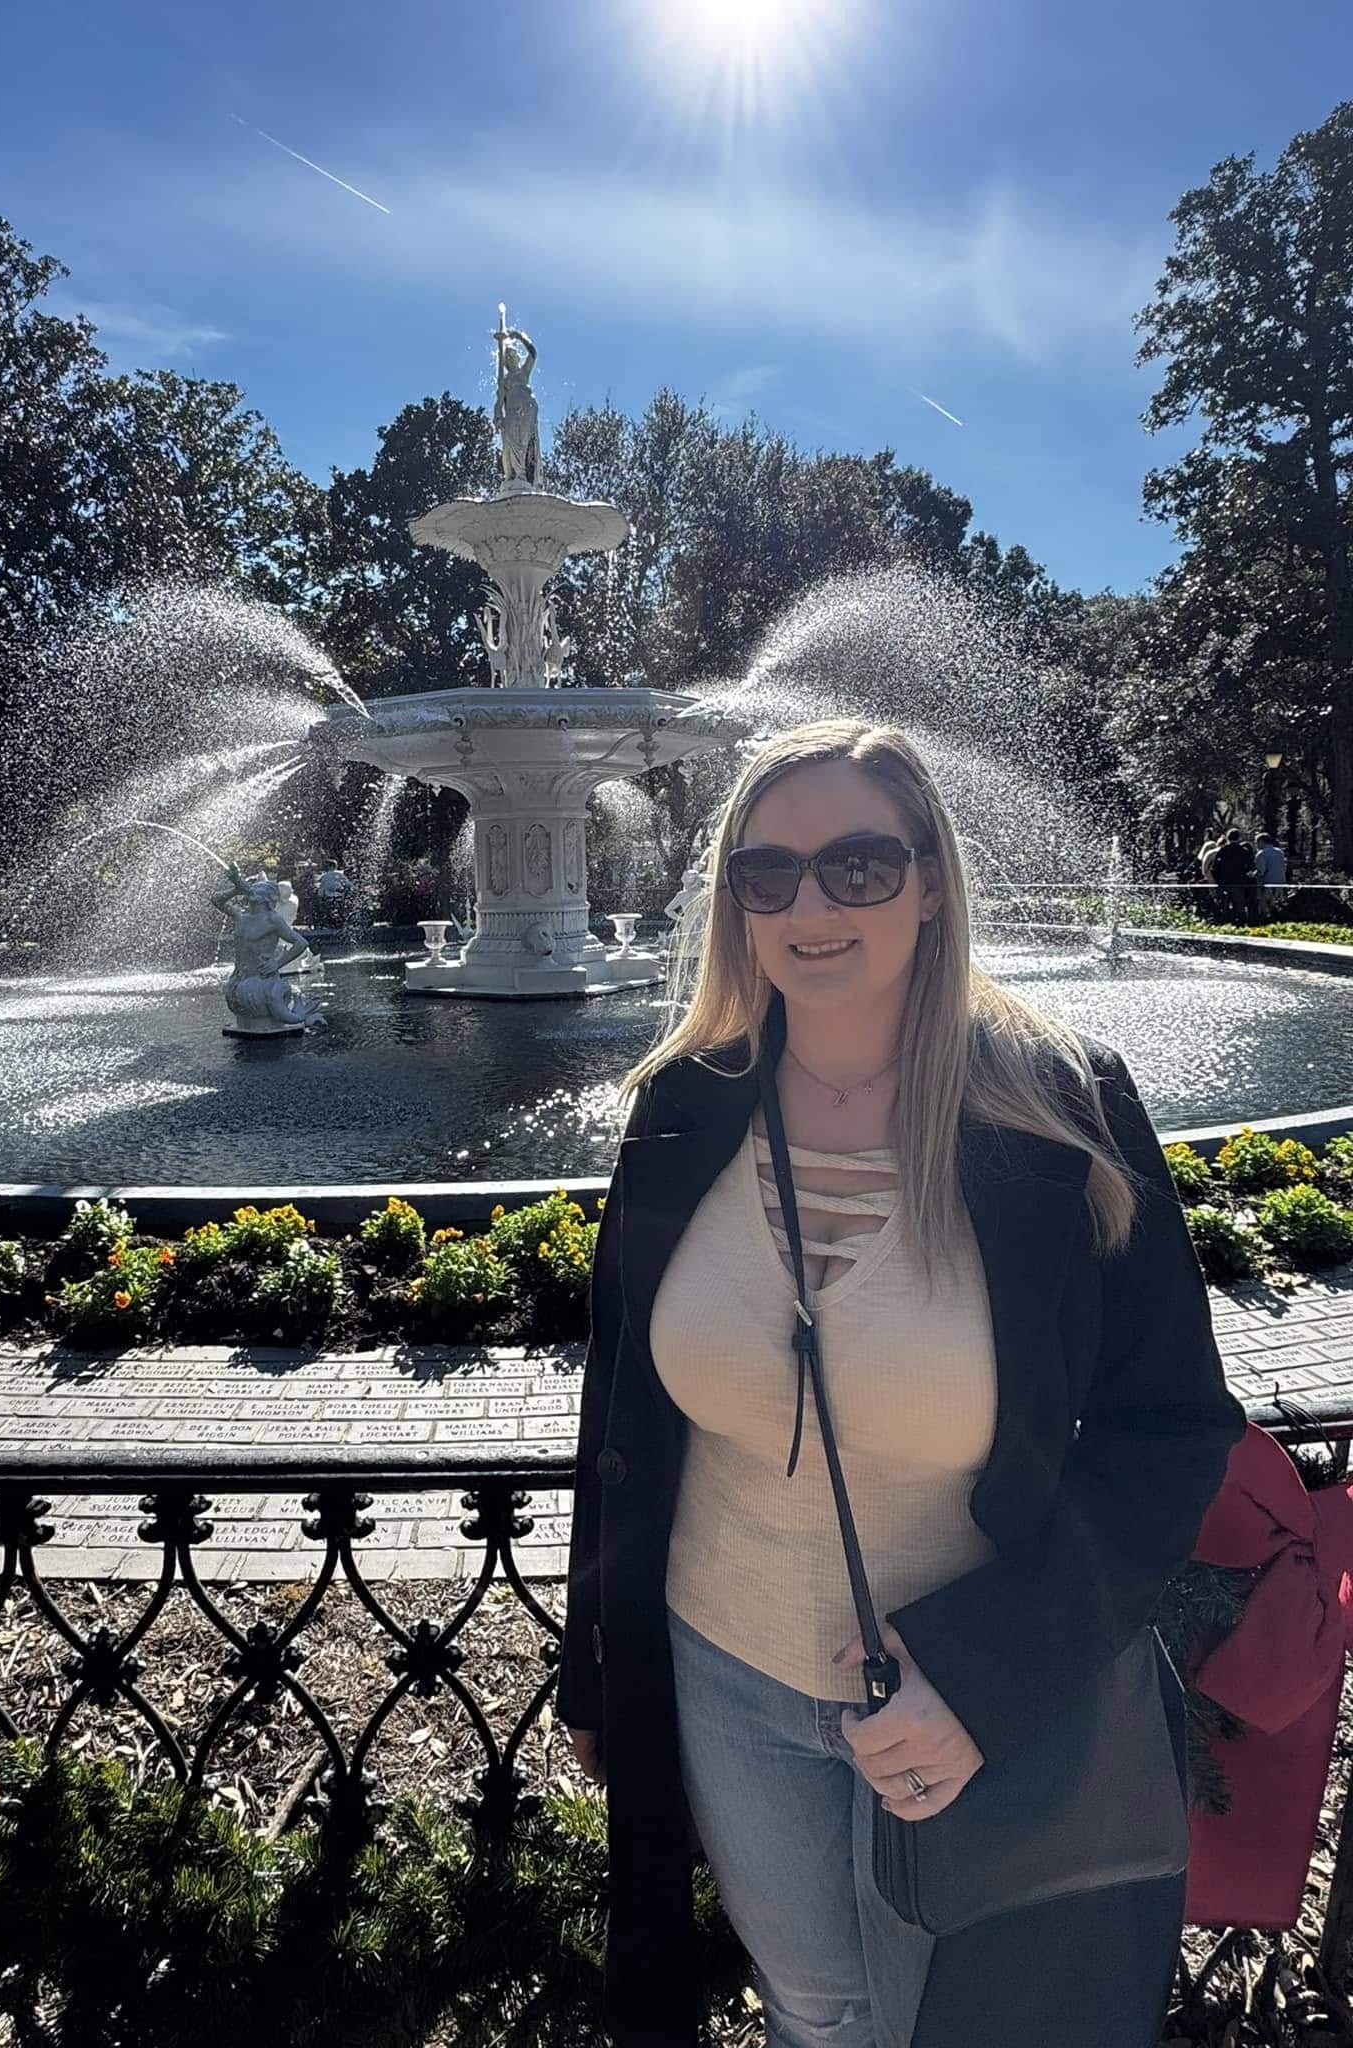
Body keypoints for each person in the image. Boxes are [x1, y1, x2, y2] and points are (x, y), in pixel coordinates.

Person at [558, 718, 1248, 2048]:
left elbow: (1168, 1431)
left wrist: (986, 1678)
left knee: (978, 2022)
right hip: (725, 1670)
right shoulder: (687, 1106)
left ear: (932, 879)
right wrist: (601, 1668)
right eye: (769, 876)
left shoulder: (1057, 1110)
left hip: (983, 1690)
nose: (812, 906)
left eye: (859, 867)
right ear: (736, 907)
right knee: (817, 2008)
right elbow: (622, 1420)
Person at [1210, 828, 1257, 924]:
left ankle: (1225, 923)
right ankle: (1240, 924)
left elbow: (1214, 868)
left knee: (1224, 905)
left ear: (1228, 837)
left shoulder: (1222, 850)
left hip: (1224, 883)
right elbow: (1251, 867)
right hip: (1239, 883)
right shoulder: (1243, 851)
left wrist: (1218, 880)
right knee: (1240, 905)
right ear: (1239, 838)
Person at [1254, 832, 1287, 922]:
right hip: (1280, 882)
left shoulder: (1261, 854)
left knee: (1265, 905)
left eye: (1256, 842)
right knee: (1277, 903)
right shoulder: (1279, 852)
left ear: (1261, 842)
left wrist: (1253, 874)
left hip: (1267, 883)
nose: (1256, 845)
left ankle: (1265, 922)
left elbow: (1261, 871)